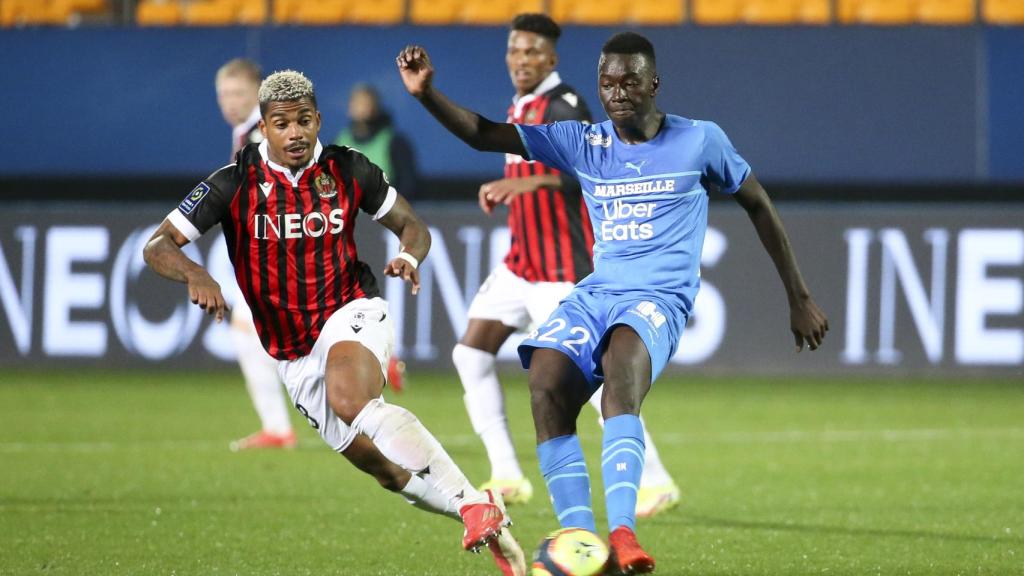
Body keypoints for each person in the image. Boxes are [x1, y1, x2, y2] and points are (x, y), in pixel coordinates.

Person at [397, 32, 829, 574]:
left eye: (629, 81)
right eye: (607, 83)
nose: (618, 92)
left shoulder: (700, 140)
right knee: (545, 380)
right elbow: (484, 134)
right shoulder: (583, 141)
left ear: (654, 84)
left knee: (620, 375)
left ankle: (623, 534)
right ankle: (582, 539)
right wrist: (426, 95)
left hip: (659, 298)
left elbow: (758, 204)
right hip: (597, 291)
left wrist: (799, 297)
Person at [143, 70, 526, 575]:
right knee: (384, 470)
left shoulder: (348, 169)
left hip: (351, 307)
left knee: (351, 400)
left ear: (319, 120)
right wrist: (196, 274)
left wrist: (409, 256)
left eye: (304, 120)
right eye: (282, 124)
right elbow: (158, 245)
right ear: (264, 127)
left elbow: (412, 225)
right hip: (292, 351)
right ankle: (477, 509)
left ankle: (474, 507)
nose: (295, 133)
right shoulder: (233, 182)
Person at [451, 13, 680, 518]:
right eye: (515, 50)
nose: (521, 60)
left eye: (532, 51)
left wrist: (523, 182)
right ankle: (507, 473)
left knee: (597, 385)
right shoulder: (521, 105)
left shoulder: (565, 103)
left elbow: (590, 170)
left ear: (551, 58)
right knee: (469, 353)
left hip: (560, 271)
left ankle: (655, 480)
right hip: (520, 265)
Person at [214, 58, 296, 450]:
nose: (230, 101)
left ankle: (278, 428)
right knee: (260, 333)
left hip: (280, 248)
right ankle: (277, 428)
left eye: (238, 93)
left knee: (250, 332)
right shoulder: (249, 133)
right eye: (224, 94)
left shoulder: (263, 134)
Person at [334, 83, 419, 200]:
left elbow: (408, 185)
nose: (363, 109)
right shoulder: (338, 143)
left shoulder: (395, 143)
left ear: (376, 107)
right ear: (350, 109)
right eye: (358, 104)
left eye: (367, 104)